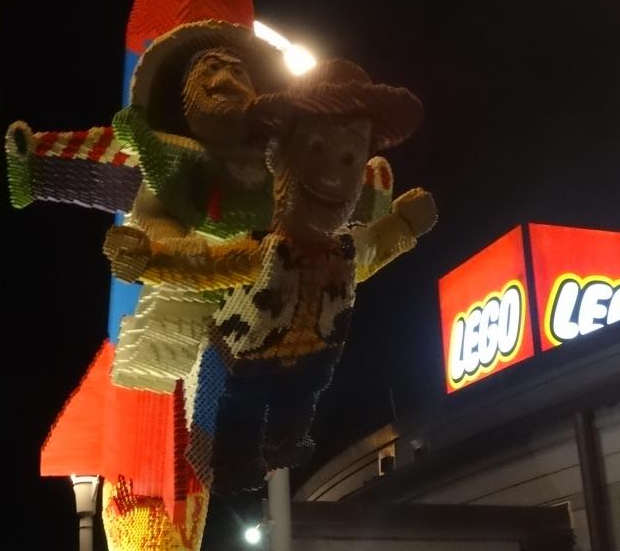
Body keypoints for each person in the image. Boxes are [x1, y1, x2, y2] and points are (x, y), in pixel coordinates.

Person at [104, 60, 437, 490]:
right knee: (241, 403)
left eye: (349, 158)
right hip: (250, 350)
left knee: (300, 397)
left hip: (314, 355)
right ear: (278, 155)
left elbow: (374, 247)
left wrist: (403, 225)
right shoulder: (262, 249)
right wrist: (149, 258)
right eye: (316, 150)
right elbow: (207, 265)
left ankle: (286, 438)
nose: (333, 175)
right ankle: (233, 458)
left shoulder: (345, 250)